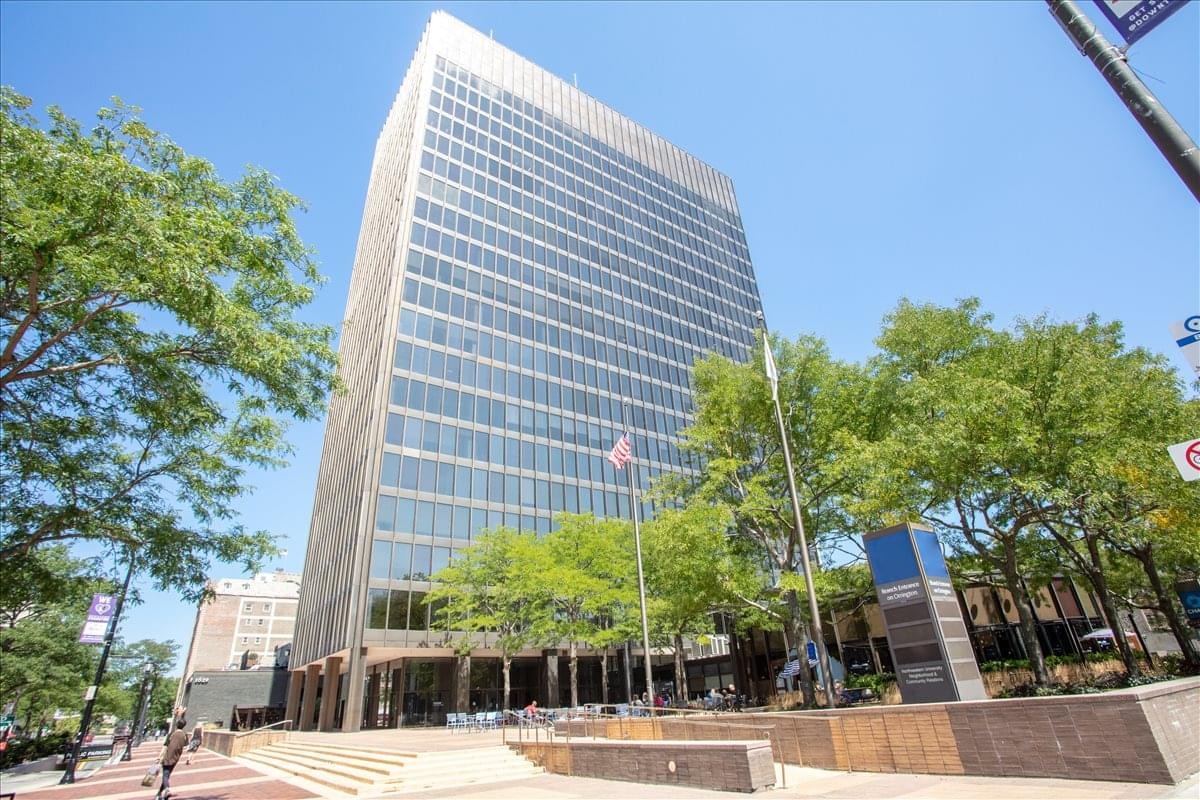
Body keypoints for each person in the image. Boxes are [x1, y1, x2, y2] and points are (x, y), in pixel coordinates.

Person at [156, 717, 188, 800]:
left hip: (167, 756)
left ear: (177, 724)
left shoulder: (172, 733)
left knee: (165, 775)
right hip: (176, 757)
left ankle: (166, 789)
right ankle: (160, 794)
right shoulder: (185, 735)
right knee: (167, 775)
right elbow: (185, 746)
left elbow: (165, 746)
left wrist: (159, 757)